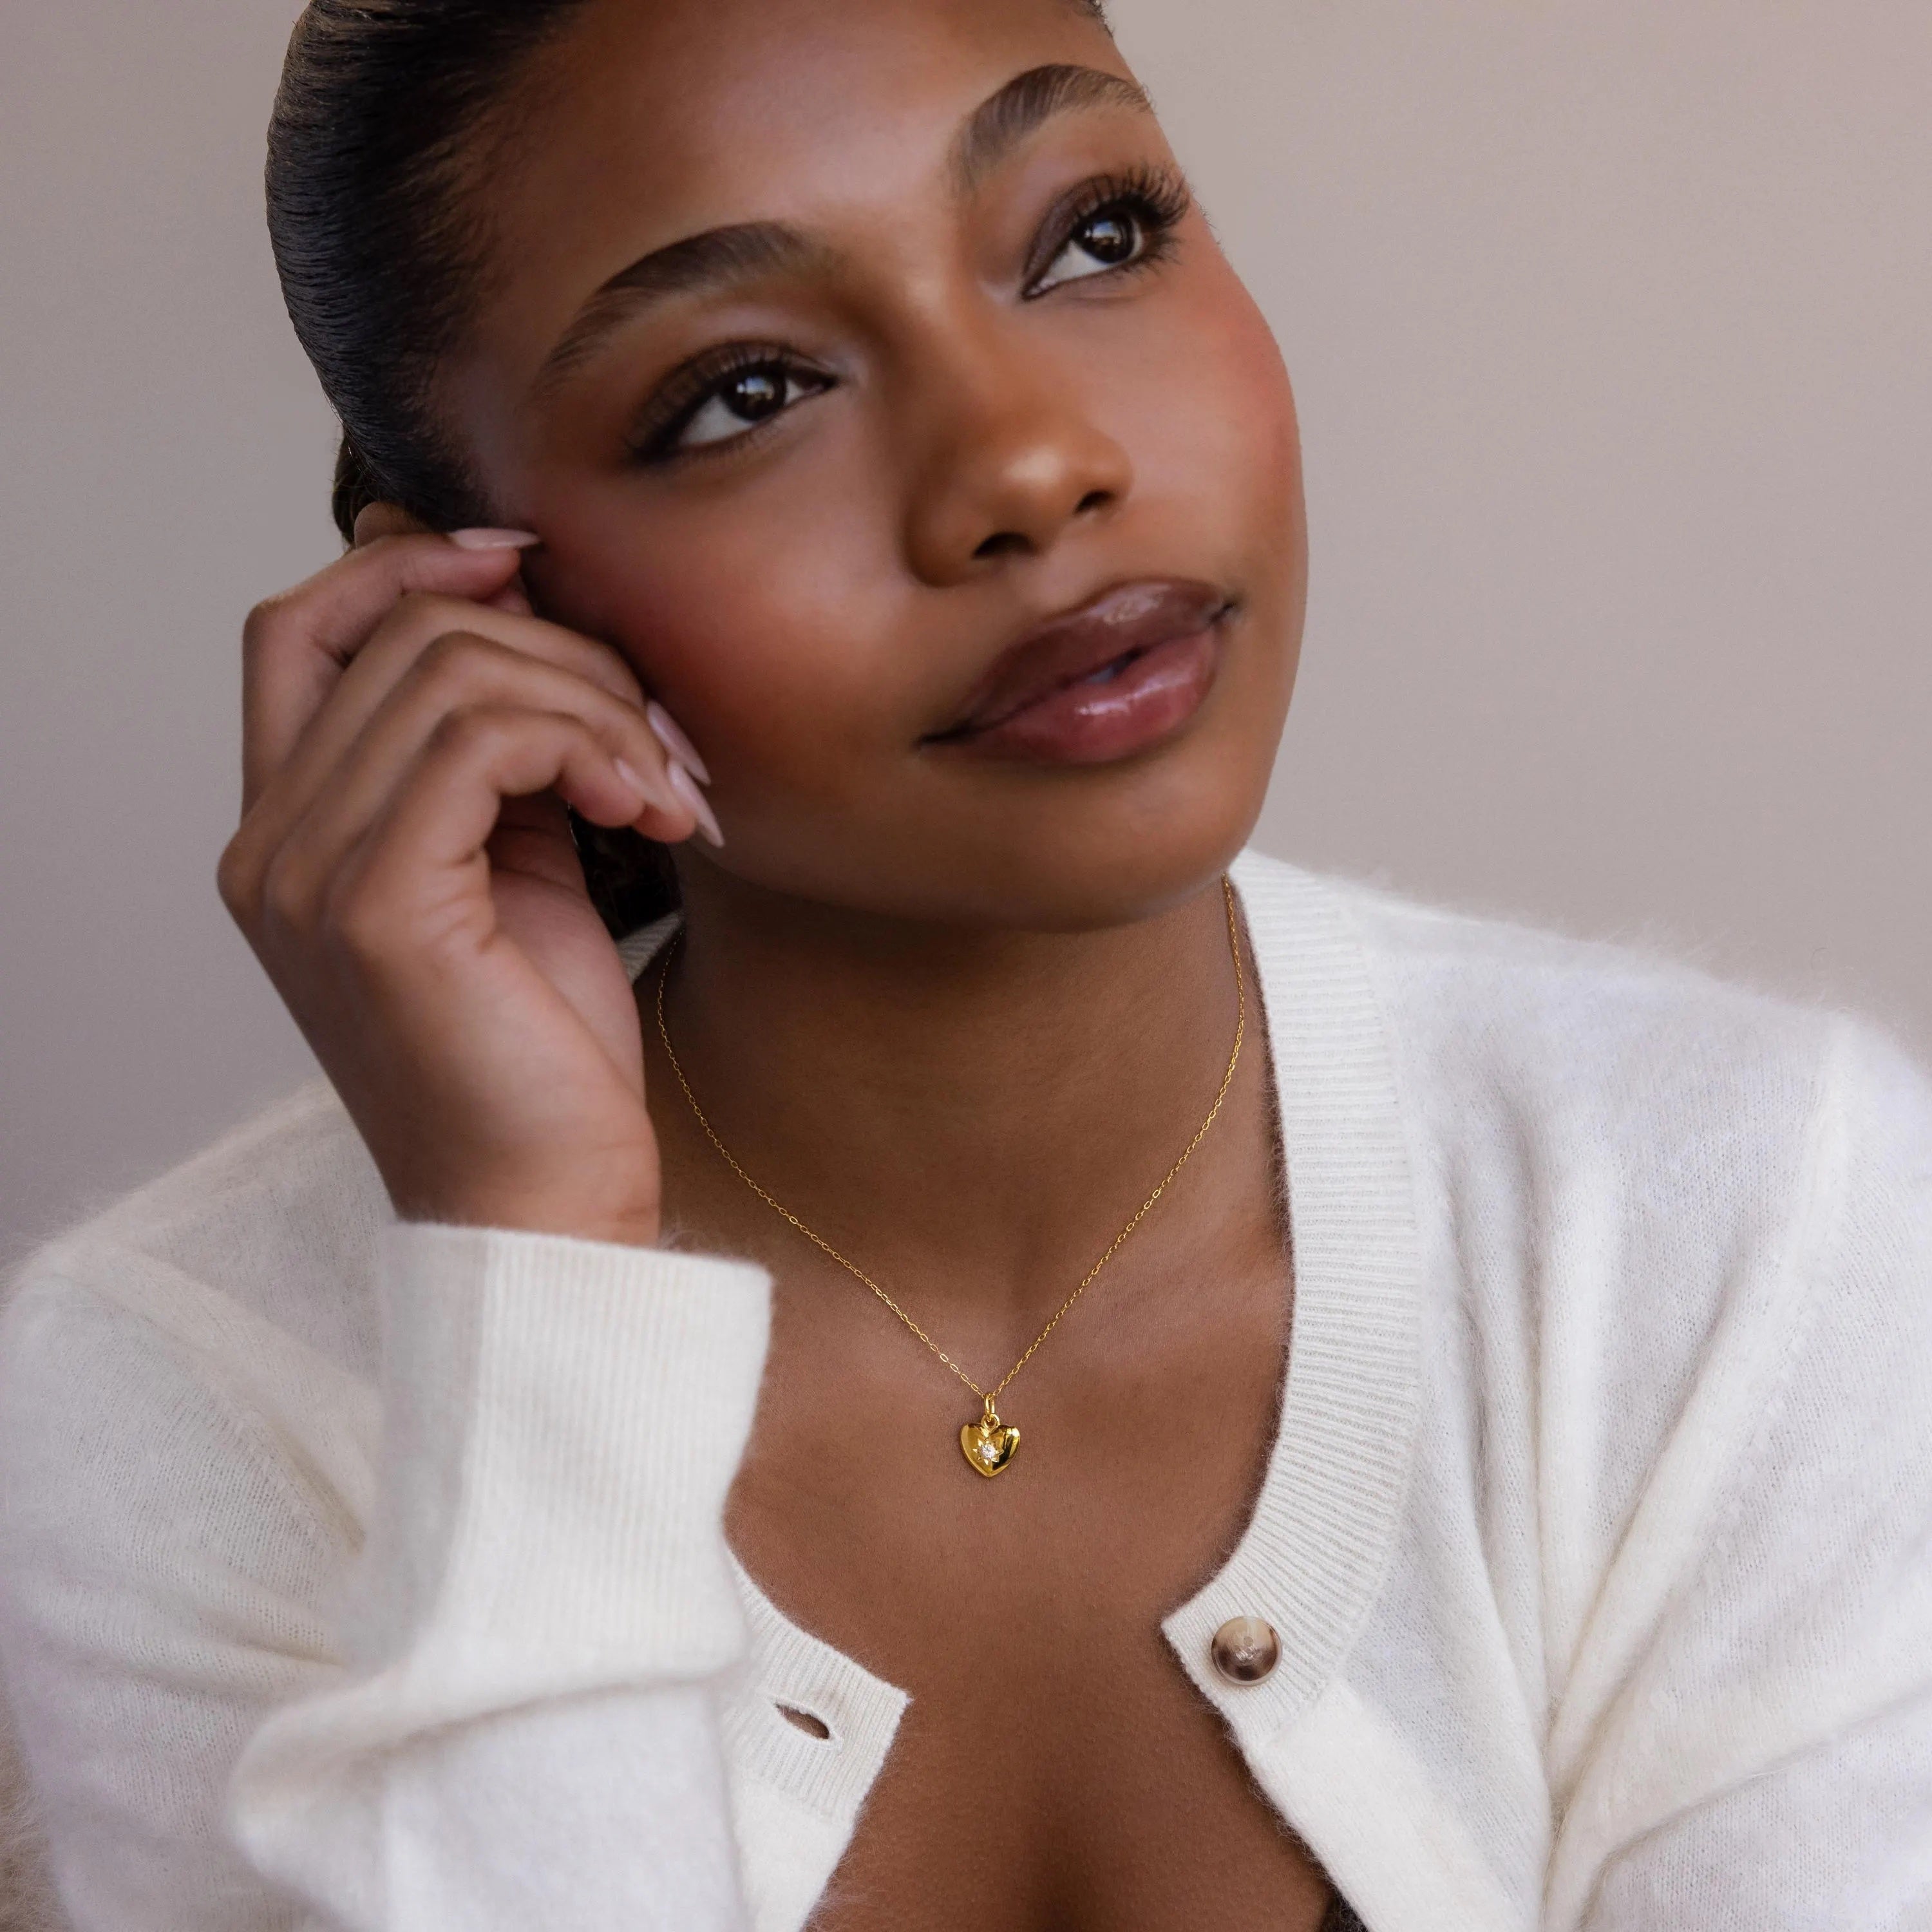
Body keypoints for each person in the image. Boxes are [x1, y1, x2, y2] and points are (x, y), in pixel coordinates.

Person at [2, 0, 1928, 1926]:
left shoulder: (1740, 1220)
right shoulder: (178, 1402)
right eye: (749, 392)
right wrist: (532, 1269)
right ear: (478, 606)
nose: (1027, 461)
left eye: (1093, 234)